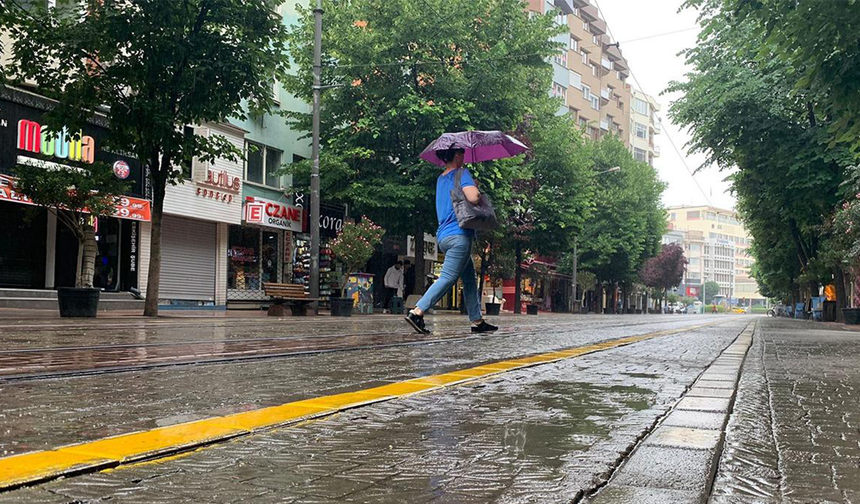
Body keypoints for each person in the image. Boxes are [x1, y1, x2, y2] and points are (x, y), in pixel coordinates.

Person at [405, 148, 498, 334]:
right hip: (459, 235)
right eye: (462, 154)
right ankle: (417, 311)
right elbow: (473, 197)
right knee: (448, 277)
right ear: (456, 155)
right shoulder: (462, 173)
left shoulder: (441, 179)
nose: (464, 158)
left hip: (444, 236)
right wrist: (475, 189)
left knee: (470, 279)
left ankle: (478, 321)